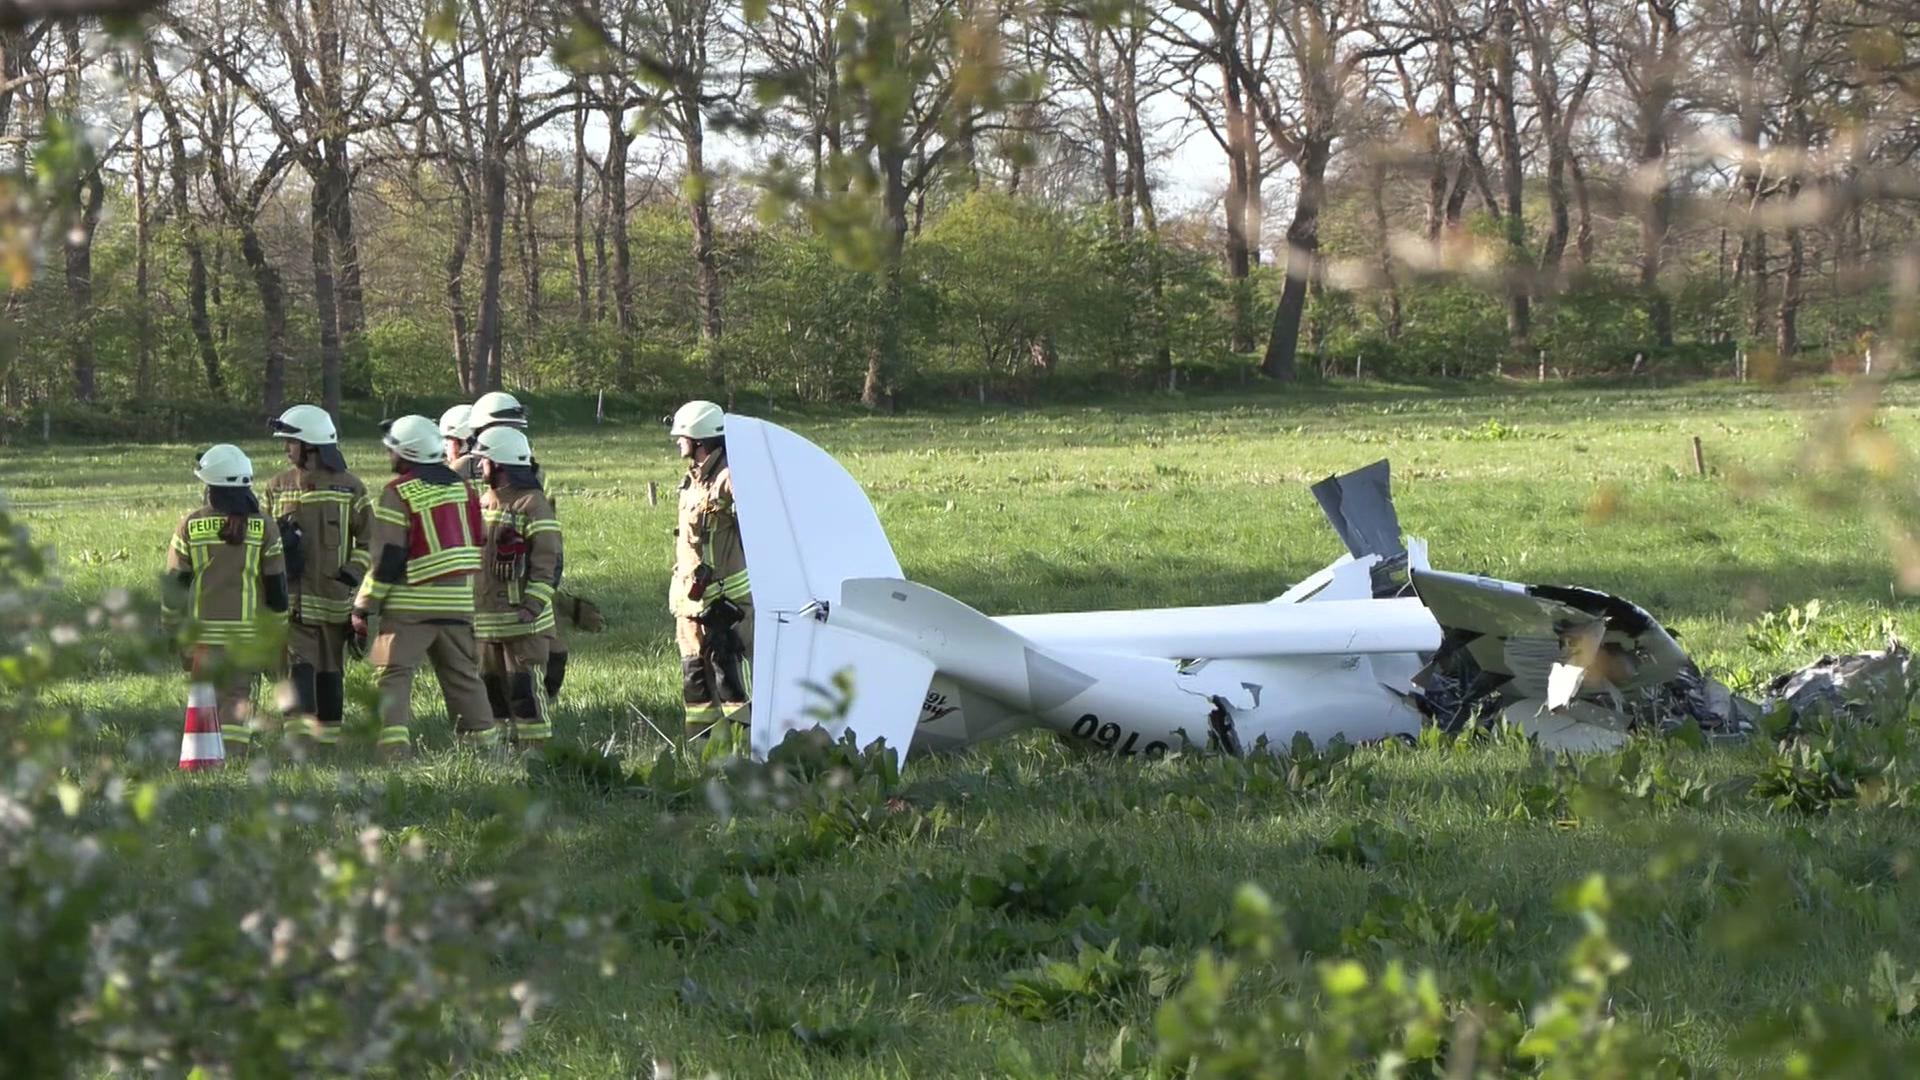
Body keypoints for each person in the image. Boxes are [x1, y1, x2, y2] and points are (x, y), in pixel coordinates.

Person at [352, 414, 499, 754]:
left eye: (393, 451)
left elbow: (387, 557)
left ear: (408, 454)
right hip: (458, 605)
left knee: (392, 675)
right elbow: (479, 539)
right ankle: (487, 752)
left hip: (409, 609)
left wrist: (364, 605)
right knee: (464, 679)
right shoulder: (463, 489)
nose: (389, 457)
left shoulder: (397, 492)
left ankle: (393, 755)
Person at [162, 444, 289, 752]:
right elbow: (277, 589)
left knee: (207, 698)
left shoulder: (190, 524)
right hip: (246, 636)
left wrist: (169, 627)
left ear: (210, 487)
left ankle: (206, 759)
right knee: (237, 697)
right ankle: (234, 756)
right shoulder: (265, 526)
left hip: (202, 636)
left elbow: (175, 586)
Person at [261, 404, 370, 745]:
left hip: (333, 600)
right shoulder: (276, 486)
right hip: (293, 599)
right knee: (297, 668)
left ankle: (328, 740)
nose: (286, 449)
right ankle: (299, 742)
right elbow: (261, 537)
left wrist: (352, 574)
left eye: (290, 442)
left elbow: (370, 538)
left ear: (311, 445)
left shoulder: (351, 487)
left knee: (330, 672)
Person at [471, 427, 562, 746]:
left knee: (525, 694)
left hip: (524, 624)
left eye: (483, 460)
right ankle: (507, 756)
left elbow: (548, 561)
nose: (479, 466)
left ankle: (537, 758)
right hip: (486, 623)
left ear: (500, 463)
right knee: (493, 695)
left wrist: (532, 606)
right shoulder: (484, 502)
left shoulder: (532, 504)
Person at [668, 400, 751, 737]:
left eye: (681, 436)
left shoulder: (730, 479)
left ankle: (746, 747)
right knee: (695, 681)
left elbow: (761, 531)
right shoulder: (694, 480)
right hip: (690, 603)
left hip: (725, 605)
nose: (677, 442)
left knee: (728, 679)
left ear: (699, 439)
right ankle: (703, 750)